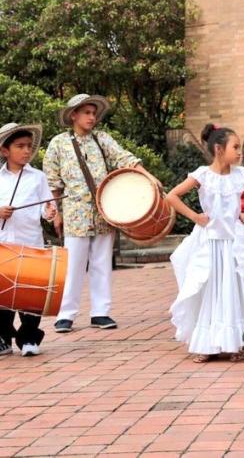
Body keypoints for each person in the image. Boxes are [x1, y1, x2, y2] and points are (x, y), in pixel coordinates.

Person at [43, 94, 158, 333]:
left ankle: (100, 312)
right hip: (75, 212)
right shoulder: (58, 143)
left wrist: (148, 176)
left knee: (102, 262)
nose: (92, 117)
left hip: (105, 211)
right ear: (73, 114)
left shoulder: (102, 139)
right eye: (86, 113)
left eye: (94, 113)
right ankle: (66, 314)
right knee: (73, 264)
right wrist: (56, 213)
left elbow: (123, 157)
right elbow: (52, 180)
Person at [167, 124, 244, 362]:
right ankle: (206, 343)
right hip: (210, 242)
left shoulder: (242, 175)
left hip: (235, 241)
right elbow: (171, 196)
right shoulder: (202, 174)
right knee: (209, 288)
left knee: (233, 288)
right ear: (219, 149)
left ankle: (235, 342)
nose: (239, 152)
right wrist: (195, 217)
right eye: (235, 147)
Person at [0, 123, 57, 357]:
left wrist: (50, 212)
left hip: (30, 242)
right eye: (19, 146)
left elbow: (47, 205)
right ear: (5, 151)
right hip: (4, 243)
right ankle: (3, 338)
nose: (26, 151)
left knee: (31, 292)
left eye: (29, 147)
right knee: (3, 294)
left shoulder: (38, 177)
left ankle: (30, 338)